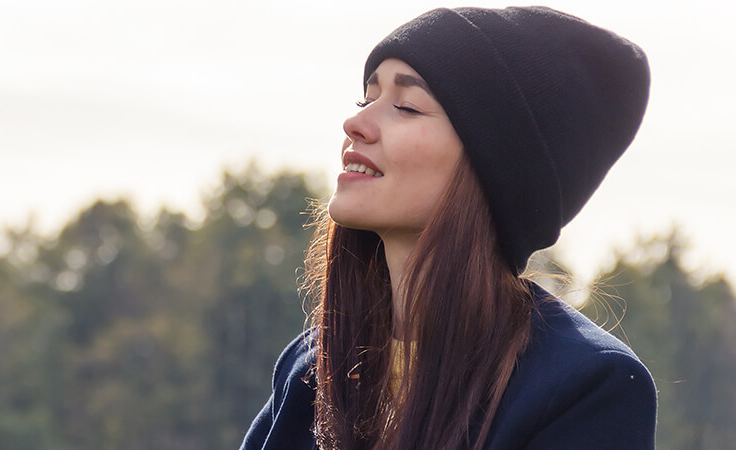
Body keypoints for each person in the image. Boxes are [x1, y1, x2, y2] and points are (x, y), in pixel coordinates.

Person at [240, 6, 656, 450]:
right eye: (366, 100)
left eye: (405, 106)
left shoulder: (584, 387)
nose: (355, 123)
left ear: (495, 166)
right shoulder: (310, 370)